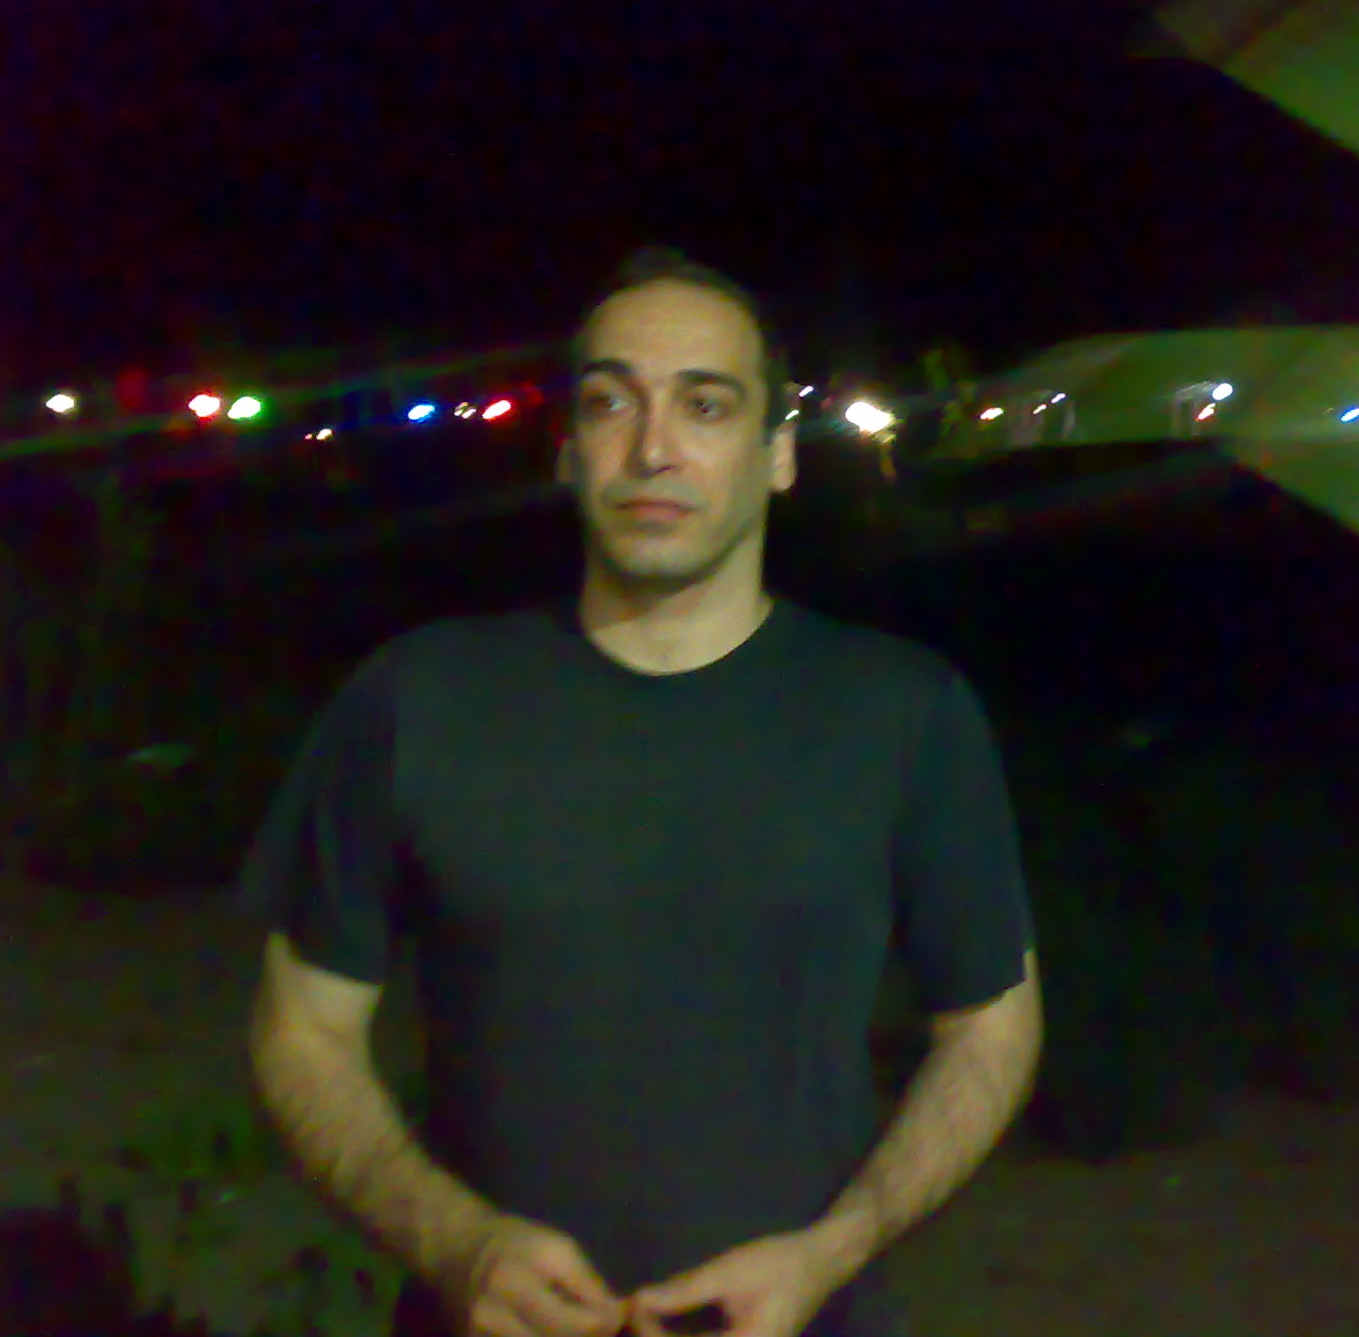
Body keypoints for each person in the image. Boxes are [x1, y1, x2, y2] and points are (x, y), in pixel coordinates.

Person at [233, 248, 1043, 1337]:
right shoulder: (416, 699)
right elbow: (303, 1028)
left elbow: (990, 1027)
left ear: (777, 454)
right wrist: (454, 1242)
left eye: (705, 406)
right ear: (569, 452)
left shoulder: (903, 713)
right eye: (612, 403)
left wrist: (832, 1251)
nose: (652, 448)